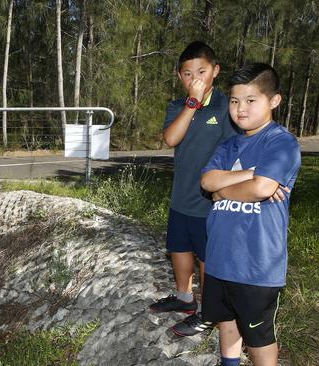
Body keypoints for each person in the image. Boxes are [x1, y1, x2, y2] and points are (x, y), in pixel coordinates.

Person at [200, 63, 300, 366]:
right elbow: (207, 182)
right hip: (219, 259)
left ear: (274, 101)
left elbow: (261, 188)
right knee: (227, 323)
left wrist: (223, 190)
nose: (240, 109)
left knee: (259, 336)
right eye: (234, 100)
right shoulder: (229, 144)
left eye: (250, 100)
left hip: (256, 265)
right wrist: (248, 175)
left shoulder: (281, 141)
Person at [148, 41, 238, 336]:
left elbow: (235, 152)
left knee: (207, 257)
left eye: (202, 71)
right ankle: (184, 298)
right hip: (181, 195)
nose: (195, 79)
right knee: (179, 247)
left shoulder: (227, 106)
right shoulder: (178, 106)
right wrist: (192, 104)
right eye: (188, 74)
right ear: (180, 77)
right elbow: (171, 139)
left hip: (211, 200)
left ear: (216, 71)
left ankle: (207, 312)